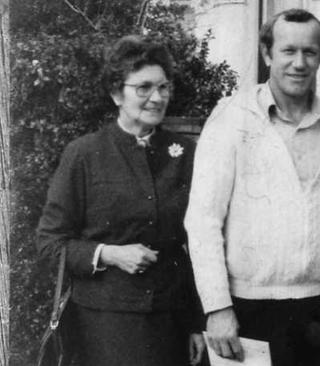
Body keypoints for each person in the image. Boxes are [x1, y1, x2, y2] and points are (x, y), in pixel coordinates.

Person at [184, 8, 320, 366]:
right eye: (288, 51)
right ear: (267, 55)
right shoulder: (231, 118)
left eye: (310, 52)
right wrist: (217, 308)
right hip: (250, 309)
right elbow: (203, 220)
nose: (299, 63)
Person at [37, 35, 205, 366]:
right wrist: (108, 254)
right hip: (104, 325)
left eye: (163, 87)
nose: (157, 98)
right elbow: (49, 243)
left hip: (169, 322)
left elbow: (200, 245)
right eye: (143, 88)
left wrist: (196, 323)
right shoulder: (83, 154)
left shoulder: (185, 153)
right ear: (117, 93)